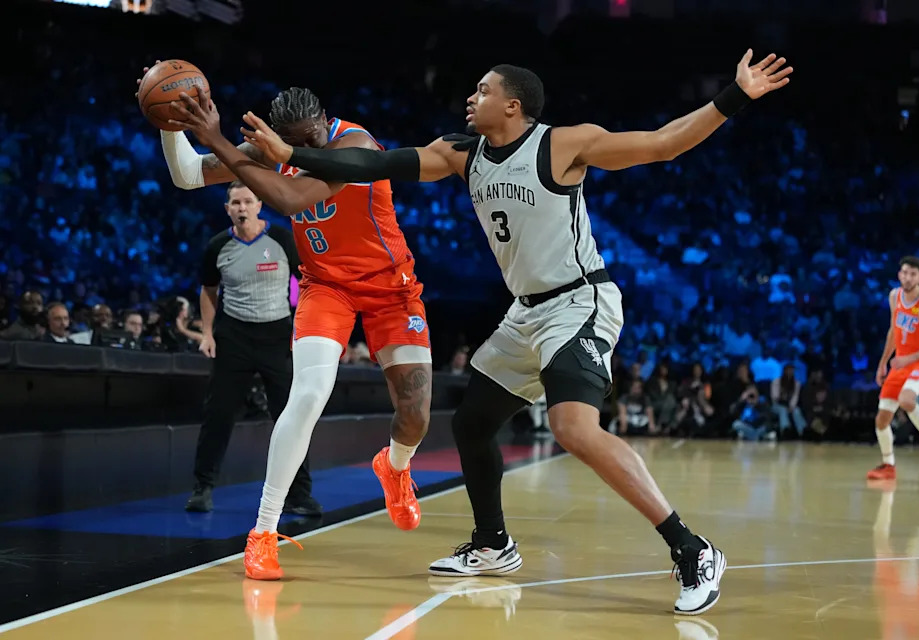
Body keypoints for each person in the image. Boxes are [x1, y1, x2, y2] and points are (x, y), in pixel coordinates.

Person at [238, 50, 792, 615]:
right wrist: (294, 155)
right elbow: (373, 165)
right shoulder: (462, 152)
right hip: (525, 312)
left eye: (482, 91)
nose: (470, 98)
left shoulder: (564, 144)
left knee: (572, 427)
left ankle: (691, 548)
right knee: (473, 424)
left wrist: (735, 95)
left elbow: (662, 143)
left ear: (513, 103)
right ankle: (492, 544)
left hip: (579, 300)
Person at [163, 84, 433, 581]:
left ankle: (395, 467)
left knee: (415, 414)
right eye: (293, 142)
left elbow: (288, 199)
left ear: (325, 120)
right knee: (307, 396)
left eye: (311, 137)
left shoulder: (356, 146)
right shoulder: (270, 147)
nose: (304, 148)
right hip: (325, 286)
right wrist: (169, 119)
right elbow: (186, 174)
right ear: (279, 135)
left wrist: (218, 139)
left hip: (390, 288)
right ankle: (263, 533)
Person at [183, 180, 320, 517]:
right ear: (227, 208)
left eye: (247, 201)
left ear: (260, 204)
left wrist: (303, 327)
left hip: (277, 335)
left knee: (291, 417)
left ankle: (299, 495)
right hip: (235, 336)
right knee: (218, 414)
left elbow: (308, 281)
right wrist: (207, 334)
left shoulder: (282, 239)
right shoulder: (218, 246)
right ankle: (202, 488)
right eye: (235, 203)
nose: (242, 208)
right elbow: (208, 290)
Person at [867, 256, 919, 481]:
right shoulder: (894, 296)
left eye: (913, 274)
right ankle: (888, 465)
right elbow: (894, 331)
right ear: (899, 274)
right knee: (882, 419)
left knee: (906, 399)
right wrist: (883, 362)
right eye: (904, 272)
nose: (908, 277)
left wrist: (909, 358)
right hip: (901, 361)